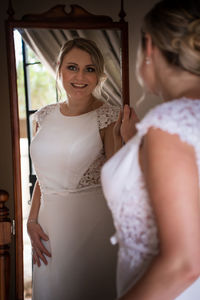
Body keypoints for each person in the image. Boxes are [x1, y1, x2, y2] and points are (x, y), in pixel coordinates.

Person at [101, 0, 200, 299]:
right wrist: (137, 143)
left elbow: (184, 264)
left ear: (149, 47)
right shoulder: (175, 126)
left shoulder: (168, 124)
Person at [27, 37, 123, 300]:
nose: (80, 76)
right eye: (72, 67)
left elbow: (118, 179)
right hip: (46, 228)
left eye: (89, 69)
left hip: (91, 226)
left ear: (98, 75)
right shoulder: (43, 116)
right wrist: (31, 220)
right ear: (59, 68)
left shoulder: (109, 116)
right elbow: (43, 177)